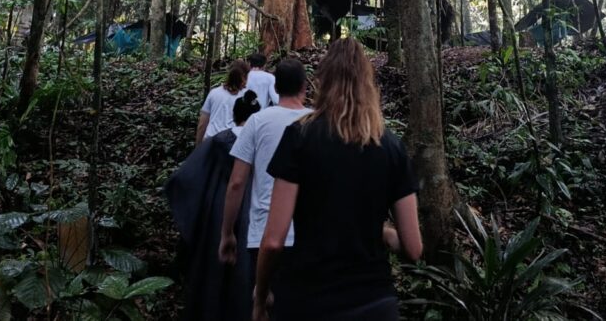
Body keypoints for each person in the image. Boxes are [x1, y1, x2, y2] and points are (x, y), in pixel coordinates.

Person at [255, 38, 422, 321]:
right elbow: (414, 248)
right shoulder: (391, 147)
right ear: (368, 83)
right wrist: (381, 231)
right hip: (374, 303)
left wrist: (260, 296)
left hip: (307, 300)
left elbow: (273, 241)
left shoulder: (300, 137)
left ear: (323, 80)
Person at [165, 91, 262, 320]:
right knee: (245, 266)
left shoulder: (220, 141)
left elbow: (189, 175)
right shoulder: (260, 141)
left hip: (218, 207)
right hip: (251, 208)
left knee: (213, 264)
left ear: (234, 114)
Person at [218, 58, 310, 274]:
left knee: (262, 302)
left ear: (276, 87)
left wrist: (227, 232)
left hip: (264, 232)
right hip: (310, 235)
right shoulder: (317, 122)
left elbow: (237, 182)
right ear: (305, 86)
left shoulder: (257, 122)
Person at [196, 59, 249, 143]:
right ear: (245, 77)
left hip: (210, 141)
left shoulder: (214, 93)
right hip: (232, 143)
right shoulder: (247, 96)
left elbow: (202, 124)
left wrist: (198, 148)